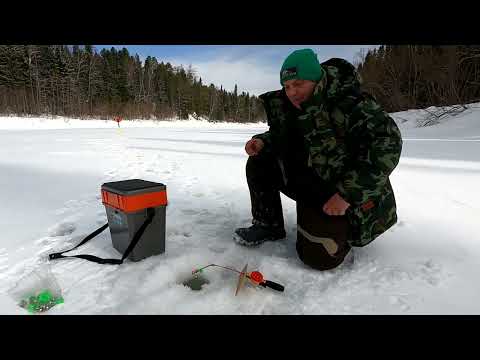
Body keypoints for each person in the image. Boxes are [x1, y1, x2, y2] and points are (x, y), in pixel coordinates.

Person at [233, 48, 403, 271]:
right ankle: (268, 224)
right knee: (260, 161)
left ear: (317, 79)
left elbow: (388, 146)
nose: (292, 92)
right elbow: (284, 135)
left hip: (347, 194)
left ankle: (345, 231)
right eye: (287, 86)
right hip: (312, 180)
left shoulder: (352, 104)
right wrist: (263, 141)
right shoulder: (295, 106)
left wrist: (346, 195)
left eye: (299, 84)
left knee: (317, 258)